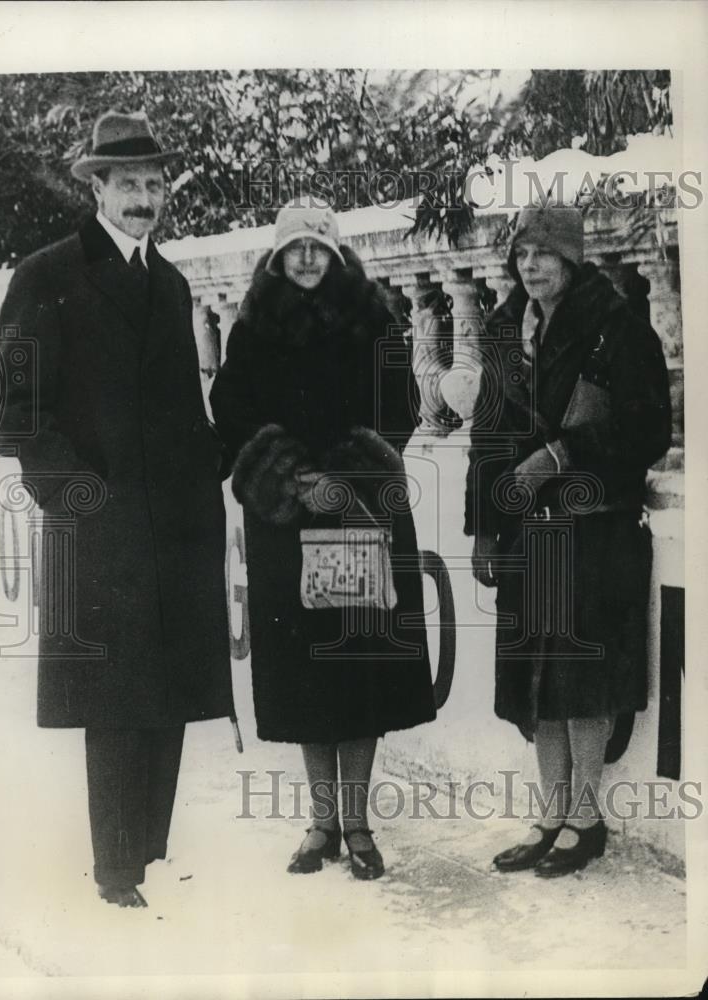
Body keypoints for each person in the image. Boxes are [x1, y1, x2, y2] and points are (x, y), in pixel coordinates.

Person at [0, 111, 236, 908]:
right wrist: (79, 496)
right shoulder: (44, 275)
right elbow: (10, 409)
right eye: (129, 184)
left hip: (173, 526)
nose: (145, 198)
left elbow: (183, 412)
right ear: (95, 186)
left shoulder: (171, 284)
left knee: (164, 694)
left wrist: (213, 474)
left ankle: (147, 854)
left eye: (156, 185)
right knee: (117, 704)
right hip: (96, 527)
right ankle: (114, 868)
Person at [210, 199, 436, 880]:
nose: (306, 259)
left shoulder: (373, 321)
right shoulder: (251, 329)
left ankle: (359, 824)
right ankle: (320, 824)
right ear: (277, 257)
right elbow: (231, 414)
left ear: (336, 254)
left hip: (356, 514)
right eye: (294, 248)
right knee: (303, 672)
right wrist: (289, 475)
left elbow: (400, 408)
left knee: (357, 668)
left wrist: (341, 475)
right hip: (285, 521)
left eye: (318, 247)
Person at [464, 205, 671, 877]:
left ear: (571, 260)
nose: (530, 266)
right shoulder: (502, 330)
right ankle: (550, 816)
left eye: (544, 255)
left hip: (594, 529)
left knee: (584, 682)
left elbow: (646, 431)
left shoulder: (615, 327)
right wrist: (484, 529)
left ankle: (584, 821)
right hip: (526, 533)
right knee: (536, 683)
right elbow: (487, 441)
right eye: (522, 254)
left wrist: (558, 456)